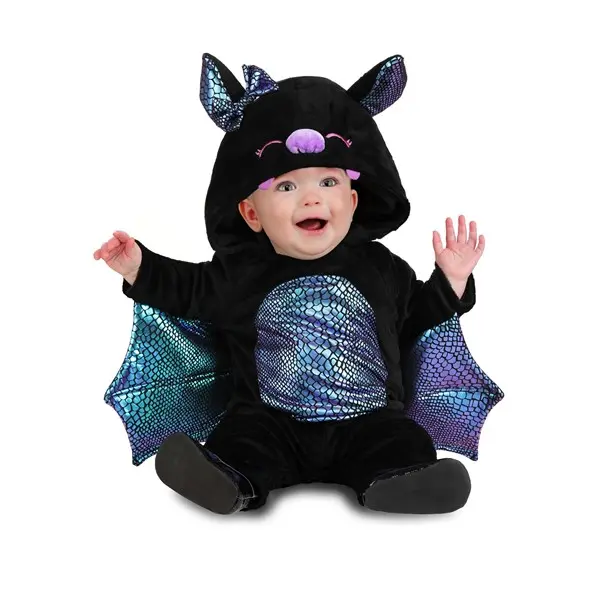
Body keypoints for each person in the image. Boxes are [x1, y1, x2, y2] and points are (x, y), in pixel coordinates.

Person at [94, 53, 501, 515]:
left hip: (368, 422)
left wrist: (451, 281)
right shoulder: (240, 272)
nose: (311, 198)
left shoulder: (382, 268)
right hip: (271, 424)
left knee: (402, 440)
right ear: (251, 213)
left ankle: (399, 480)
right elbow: (186, 289)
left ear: (353, 201)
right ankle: (228, 480)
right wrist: (139, 267)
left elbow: (418, 319)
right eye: (286, 187)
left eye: (328, 182)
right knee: (242, 440)